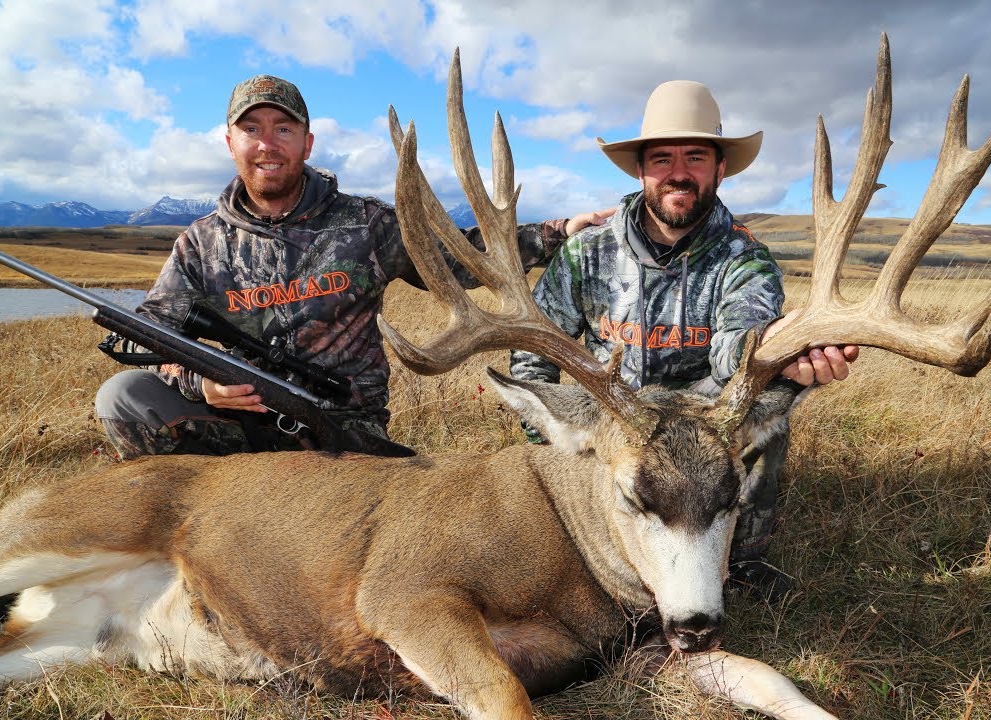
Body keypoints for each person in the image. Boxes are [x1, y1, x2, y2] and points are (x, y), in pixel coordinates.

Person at [94, 74, 609, 460]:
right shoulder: (202, 244)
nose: (267, 143)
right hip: (237, 422)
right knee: (124, 396)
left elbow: (460, 258)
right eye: (251, 128)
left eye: (283, 128)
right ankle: (193, 532)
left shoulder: (365, 224)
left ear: (307, 143)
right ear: (231, 143)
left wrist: (558, 232)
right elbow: (146, 338)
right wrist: (199, 384)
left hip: (343, 430)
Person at [508, 80, 858, 597]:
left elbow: (738, 346)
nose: (678, 172)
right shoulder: (587, 254)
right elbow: (533, 356)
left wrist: (781, 354)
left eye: (695, 157)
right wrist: (557, 446)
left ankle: (742, 558)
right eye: (662, 158)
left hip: (708, 434)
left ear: (720, 169)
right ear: (641, 170)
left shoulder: (745, 261)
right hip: (617, 432)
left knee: (764, 406)